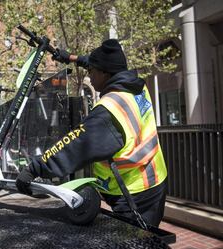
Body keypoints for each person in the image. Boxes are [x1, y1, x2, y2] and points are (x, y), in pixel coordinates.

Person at [15, 39, 168, 227]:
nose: (89, 74)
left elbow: (73, 146)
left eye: (91, 72)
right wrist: (71, 58)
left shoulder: (109, 110)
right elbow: (93, 62)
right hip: (155, 177)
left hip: (134, 193)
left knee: (137, 246)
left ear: (104, 73)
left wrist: (34, 169)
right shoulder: (136, 86)